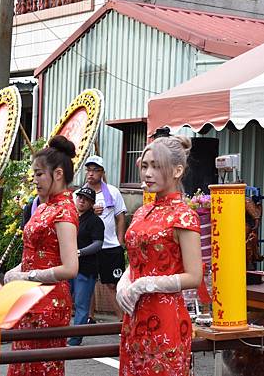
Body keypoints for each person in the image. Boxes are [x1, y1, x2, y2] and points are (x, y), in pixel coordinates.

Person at [116, 135, 203, 376]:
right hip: (134, 315)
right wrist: (125, 281)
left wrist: (145, 284)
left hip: (165, 318)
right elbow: (136, 260)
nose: (148, 173)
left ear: (177, 170)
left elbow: (194, 276)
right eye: (145, 166)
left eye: (156, 166)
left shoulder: (184, 215)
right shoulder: (143, 211)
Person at [3, 135, 79, 376]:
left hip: (49, 301)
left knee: (41, 366)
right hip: (30, 296)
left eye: (39, 174)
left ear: (58, 174)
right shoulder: (45, 207)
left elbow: (70, 268)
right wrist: (16, 272)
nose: (34, 179)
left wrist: (27, 276)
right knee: (23, 362)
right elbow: (35, 253)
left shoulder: (64, 211)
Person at [82, 155, 127, 321]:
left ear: (102, 173)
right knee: (88, 284)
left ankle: (123, 320)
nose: (91, 174)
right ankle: (89, 317)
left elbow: (120, 216)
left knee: (112, 284)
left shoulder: (113, 192)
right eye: (89, 170)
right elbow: (75, 217)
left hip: (110, 246)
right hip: (88, 246)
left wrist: (120, 240)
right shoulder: (80, 195)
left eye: (95, 170)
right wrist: (89, 211)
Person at [68, 187, 104, 346]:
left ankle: (75, 338)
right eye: (80, 197)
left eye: (86, 199)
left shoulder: (95, 221)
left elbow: (98, 244)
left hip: (86, 268)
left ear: (91, 203)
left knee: (81, 304)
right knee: (63, 301)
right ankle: (59, 334)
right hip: (68, 266)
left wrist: (80, 252)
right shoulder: (71, 217)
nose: (82, 201)